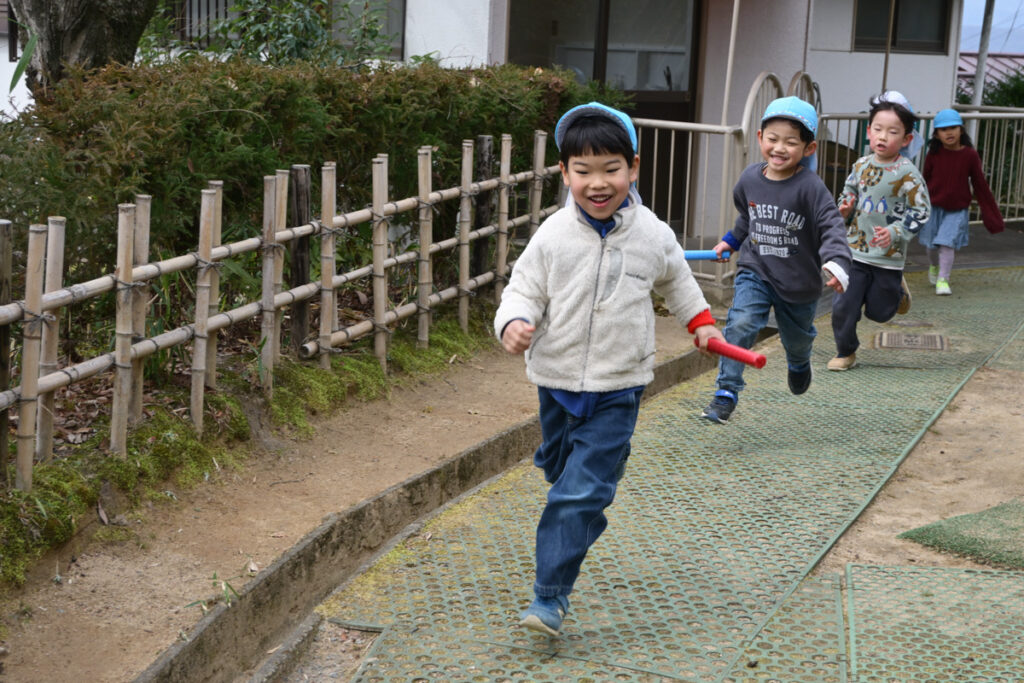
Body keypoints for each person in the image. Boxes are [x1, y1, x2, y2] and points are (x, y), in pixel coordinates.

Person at [494, 102, 725, 636]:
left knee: (578, 494)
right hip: (556, 383)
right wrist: (514, 322)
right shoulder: (553, 235)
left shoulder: (652, 233)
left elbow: (678, 281)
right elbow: (523, 288)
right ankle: (581, 477)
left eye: (611, 169)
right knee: (560, 472)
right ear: (564, 173)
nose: (598, 183)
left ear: (634, 168)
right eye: (584, 170)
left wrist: (703, 325)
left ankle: (549, 597)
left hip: (620, 385)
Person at [701, 96, 851, 424]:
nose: (780, 148)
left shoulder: (811, 188)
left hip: (798, 281)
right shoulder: (750, 179)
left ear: (809, 148)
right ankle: (726, 392)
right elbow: (749, 215)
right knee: (740, 323)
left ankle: (799, 362)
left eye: (791, 142)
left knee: (796, 340)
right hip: (756, 269)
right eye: (773, 139)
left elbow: (831, 226)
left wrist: (837, 262)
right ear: (760, 138)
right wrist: (731, 240)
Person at [828, 91, 931, 371]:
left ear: (906, 139)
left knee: (880, 312)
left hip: (887, 256)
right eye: (878, 129)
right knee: (843, 307)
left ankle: (897, 293)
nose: (883, 136)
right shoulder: (860, 165)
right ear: (869, 132)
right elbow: (848, 192)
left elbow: (921, 210)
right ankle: (845, 352)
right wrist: (844, 208)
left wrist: (896, 232)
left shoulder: (907, 173)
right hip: (855, 251)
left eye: (893, 132)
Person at [920, 108, 1005, 296]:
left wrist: (991, 214)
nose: (949, 132)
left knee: (946, 243)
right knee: (931, 246)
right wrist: (917, 204)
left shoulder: (970, 155)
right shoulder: (933, 153)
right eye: (943, 129)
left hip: (957, 209)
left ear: (961, 130)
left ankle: (943, 279)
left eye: (953, 127)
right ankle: (934, 266)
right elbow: (924, 179)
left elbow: (980, 183)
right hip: (934, 207)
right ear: (937, 134)